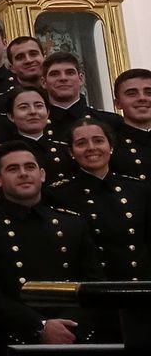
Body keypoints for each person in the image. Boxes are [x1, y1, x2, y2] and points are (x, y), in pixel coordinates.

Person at [0, 143, 101, 346]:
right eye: (13, 169)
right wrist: (40, 325)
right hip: (15, 340)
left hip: (74, 336)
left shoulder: (72, 223)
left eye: (30, 167)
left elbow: (92, 283)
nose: (23, 174)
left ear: (42, 175)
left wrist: (68, 326)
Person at [46, 119, 149, 280]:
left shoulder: (138, 190)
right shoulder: (59, 195)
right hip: (93, 291)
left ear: (111, 146)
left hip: (141, 285)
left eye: (98, 140)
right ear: (71, 152)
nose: (91, 148)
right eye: (81, 143)